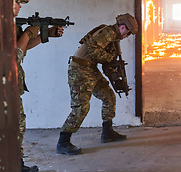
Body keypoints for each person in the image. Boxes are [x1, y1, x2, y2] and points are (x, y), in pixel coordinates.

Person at [56, 13, 138, 155]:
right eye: (128, 33)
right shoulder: (108, 33)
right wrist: (110, 59)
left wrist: (116, 79)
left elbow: (106, 63)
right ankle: (63, 142)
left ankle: (107, 133)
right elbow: (92, 50)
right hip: (80, 69)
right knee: (81, 107)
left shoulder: (114, 37)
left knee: (109, 96)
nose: (127, 36)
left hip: (90, 68)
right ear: (123, 27)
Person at [14, 0, 64, 172]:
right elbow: (14, 56)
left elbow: (23, 48)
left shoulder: (8, 25)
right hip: (2, 89)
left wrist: (46, 35)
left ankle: (17, 165)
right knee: (16, 126)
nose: (19, 6)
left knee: (18, 126)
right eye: (17, 2)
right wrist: (28, 33)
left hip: (12, 87)